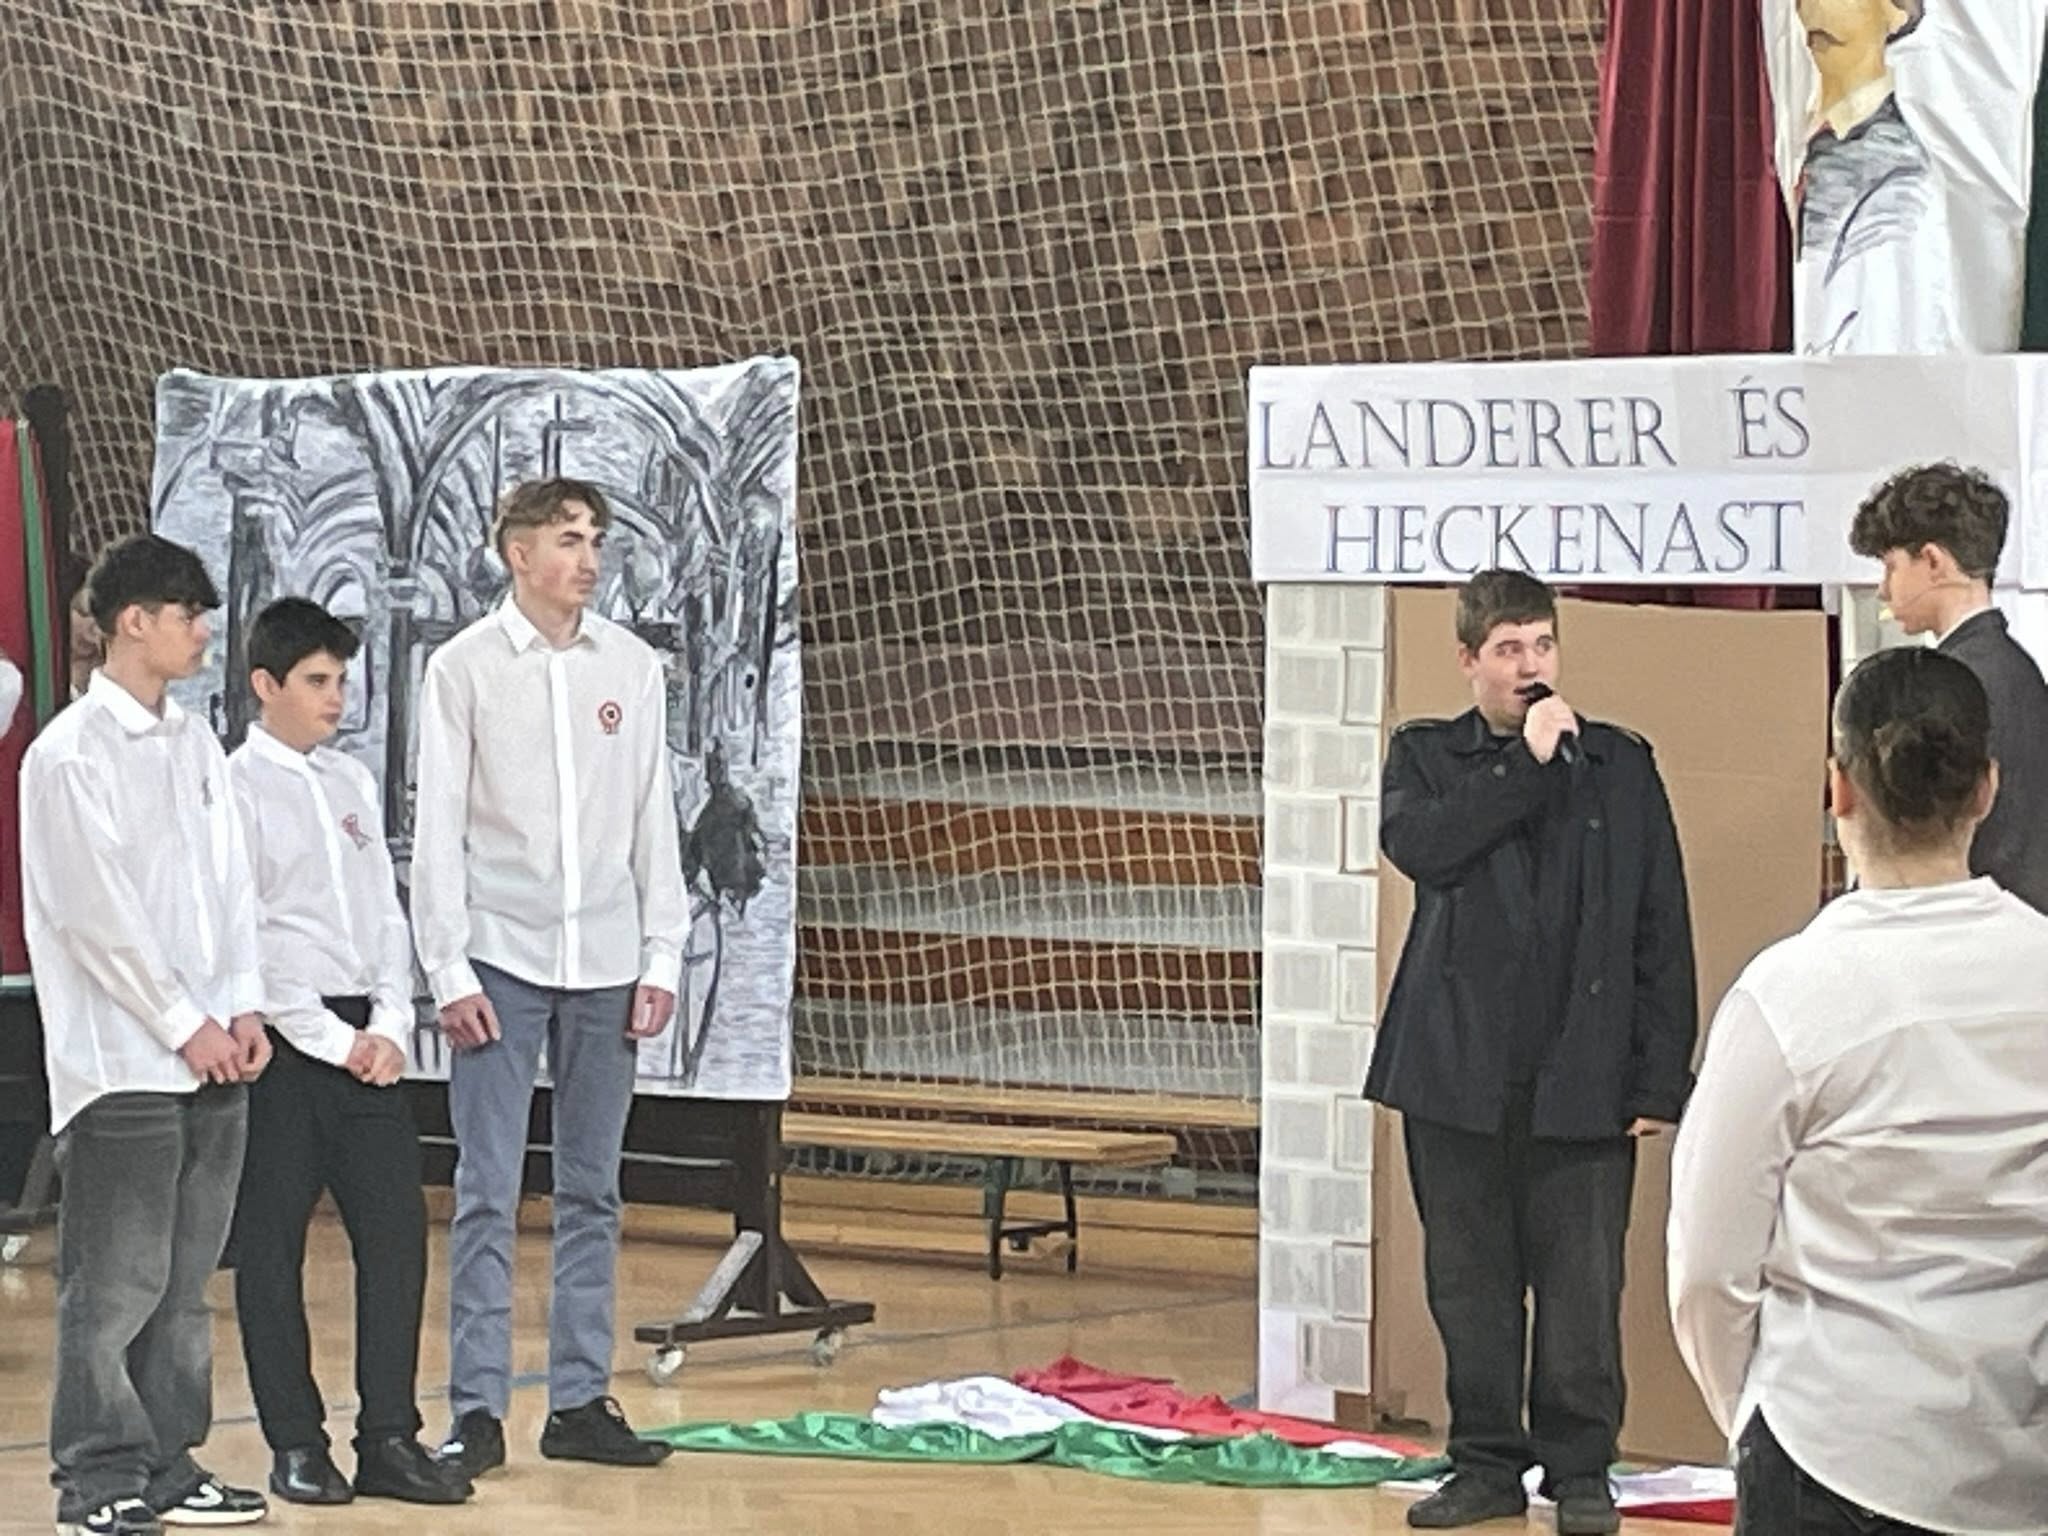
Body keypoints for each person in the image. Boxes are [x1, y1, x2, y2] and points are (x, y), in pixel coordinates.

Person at [1669, 647, 2048, 1534]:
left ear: (1837, 788)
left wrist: (1754, 1412)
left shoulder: (1787, 996)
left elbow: (1708, 1270)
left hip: (1833, 1447)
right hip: (2018, 1452)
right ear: (1987, 788)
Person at [1368, 569, 1697, 1534]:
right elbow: (1426, 848)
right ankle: (1485, 1466)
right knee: (1470, 1288)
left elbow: (1661, 925)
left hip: (1584, 1075)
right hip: (1455, 1075)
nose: (1529, 666)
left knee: (1582, 1292)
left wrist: (1660, 1077)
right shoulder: (1427, 756)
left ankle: (1582, 1471)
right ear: (1469, 660)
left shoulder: (1620, 764)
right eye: (1508, 649)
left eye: (1542, 645)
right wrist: (1525, 765)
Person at [411, 478, 685, 1476]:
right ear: (517, 553)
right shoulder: (463, 668)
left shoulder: (630, 666)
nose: (588, 559)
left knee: (592, 1190)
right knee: (487, 1188)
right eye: (568, 540)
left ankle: (577, 1400)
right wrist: (447, 964)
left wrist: (662, 950)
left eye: (596, 541)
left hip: (605, 957)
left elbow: (652, 811)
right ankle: (477, 1409)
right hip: (500, 954)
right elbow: (438, 824)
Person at [21, 533, 273, 1536]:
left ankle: (170, 1463)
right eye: (188, 615)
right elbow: (97, 916)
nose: (204, 633)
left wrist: (242, 1006)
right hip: (124, 1062)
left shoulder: (195, 744)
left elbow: (230, 886)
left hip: (215, 1055)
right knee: (115, 1283)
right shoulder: (69, 754)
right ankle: (96, 1478)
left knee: (183, 1283)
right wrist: (183, 1023)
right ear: (134, 621)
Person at [224, 598, 471, 1508]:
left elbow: (382, 915)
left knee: (396, 1237)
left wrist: (392, 1024)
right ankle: (295, 1441)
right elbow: (249, 935)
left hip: (367, 1037)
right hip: (284, 1046)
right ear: (266, 685)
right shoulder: (235, 788)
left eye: (341, 679)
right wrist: (331, 1039)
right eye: (317, 680)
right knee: (271, 1249)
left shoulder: (351, 782)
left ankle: (390, 1436)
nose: (336, 697)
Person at [1849, 461, 2048, 913]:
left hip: (1968, 926)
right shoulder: (2021, 671)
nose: (1883, 590)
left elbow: (1911, 843)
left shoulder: (1947, 688)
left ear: (1933, 561)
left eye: (1891, 566)